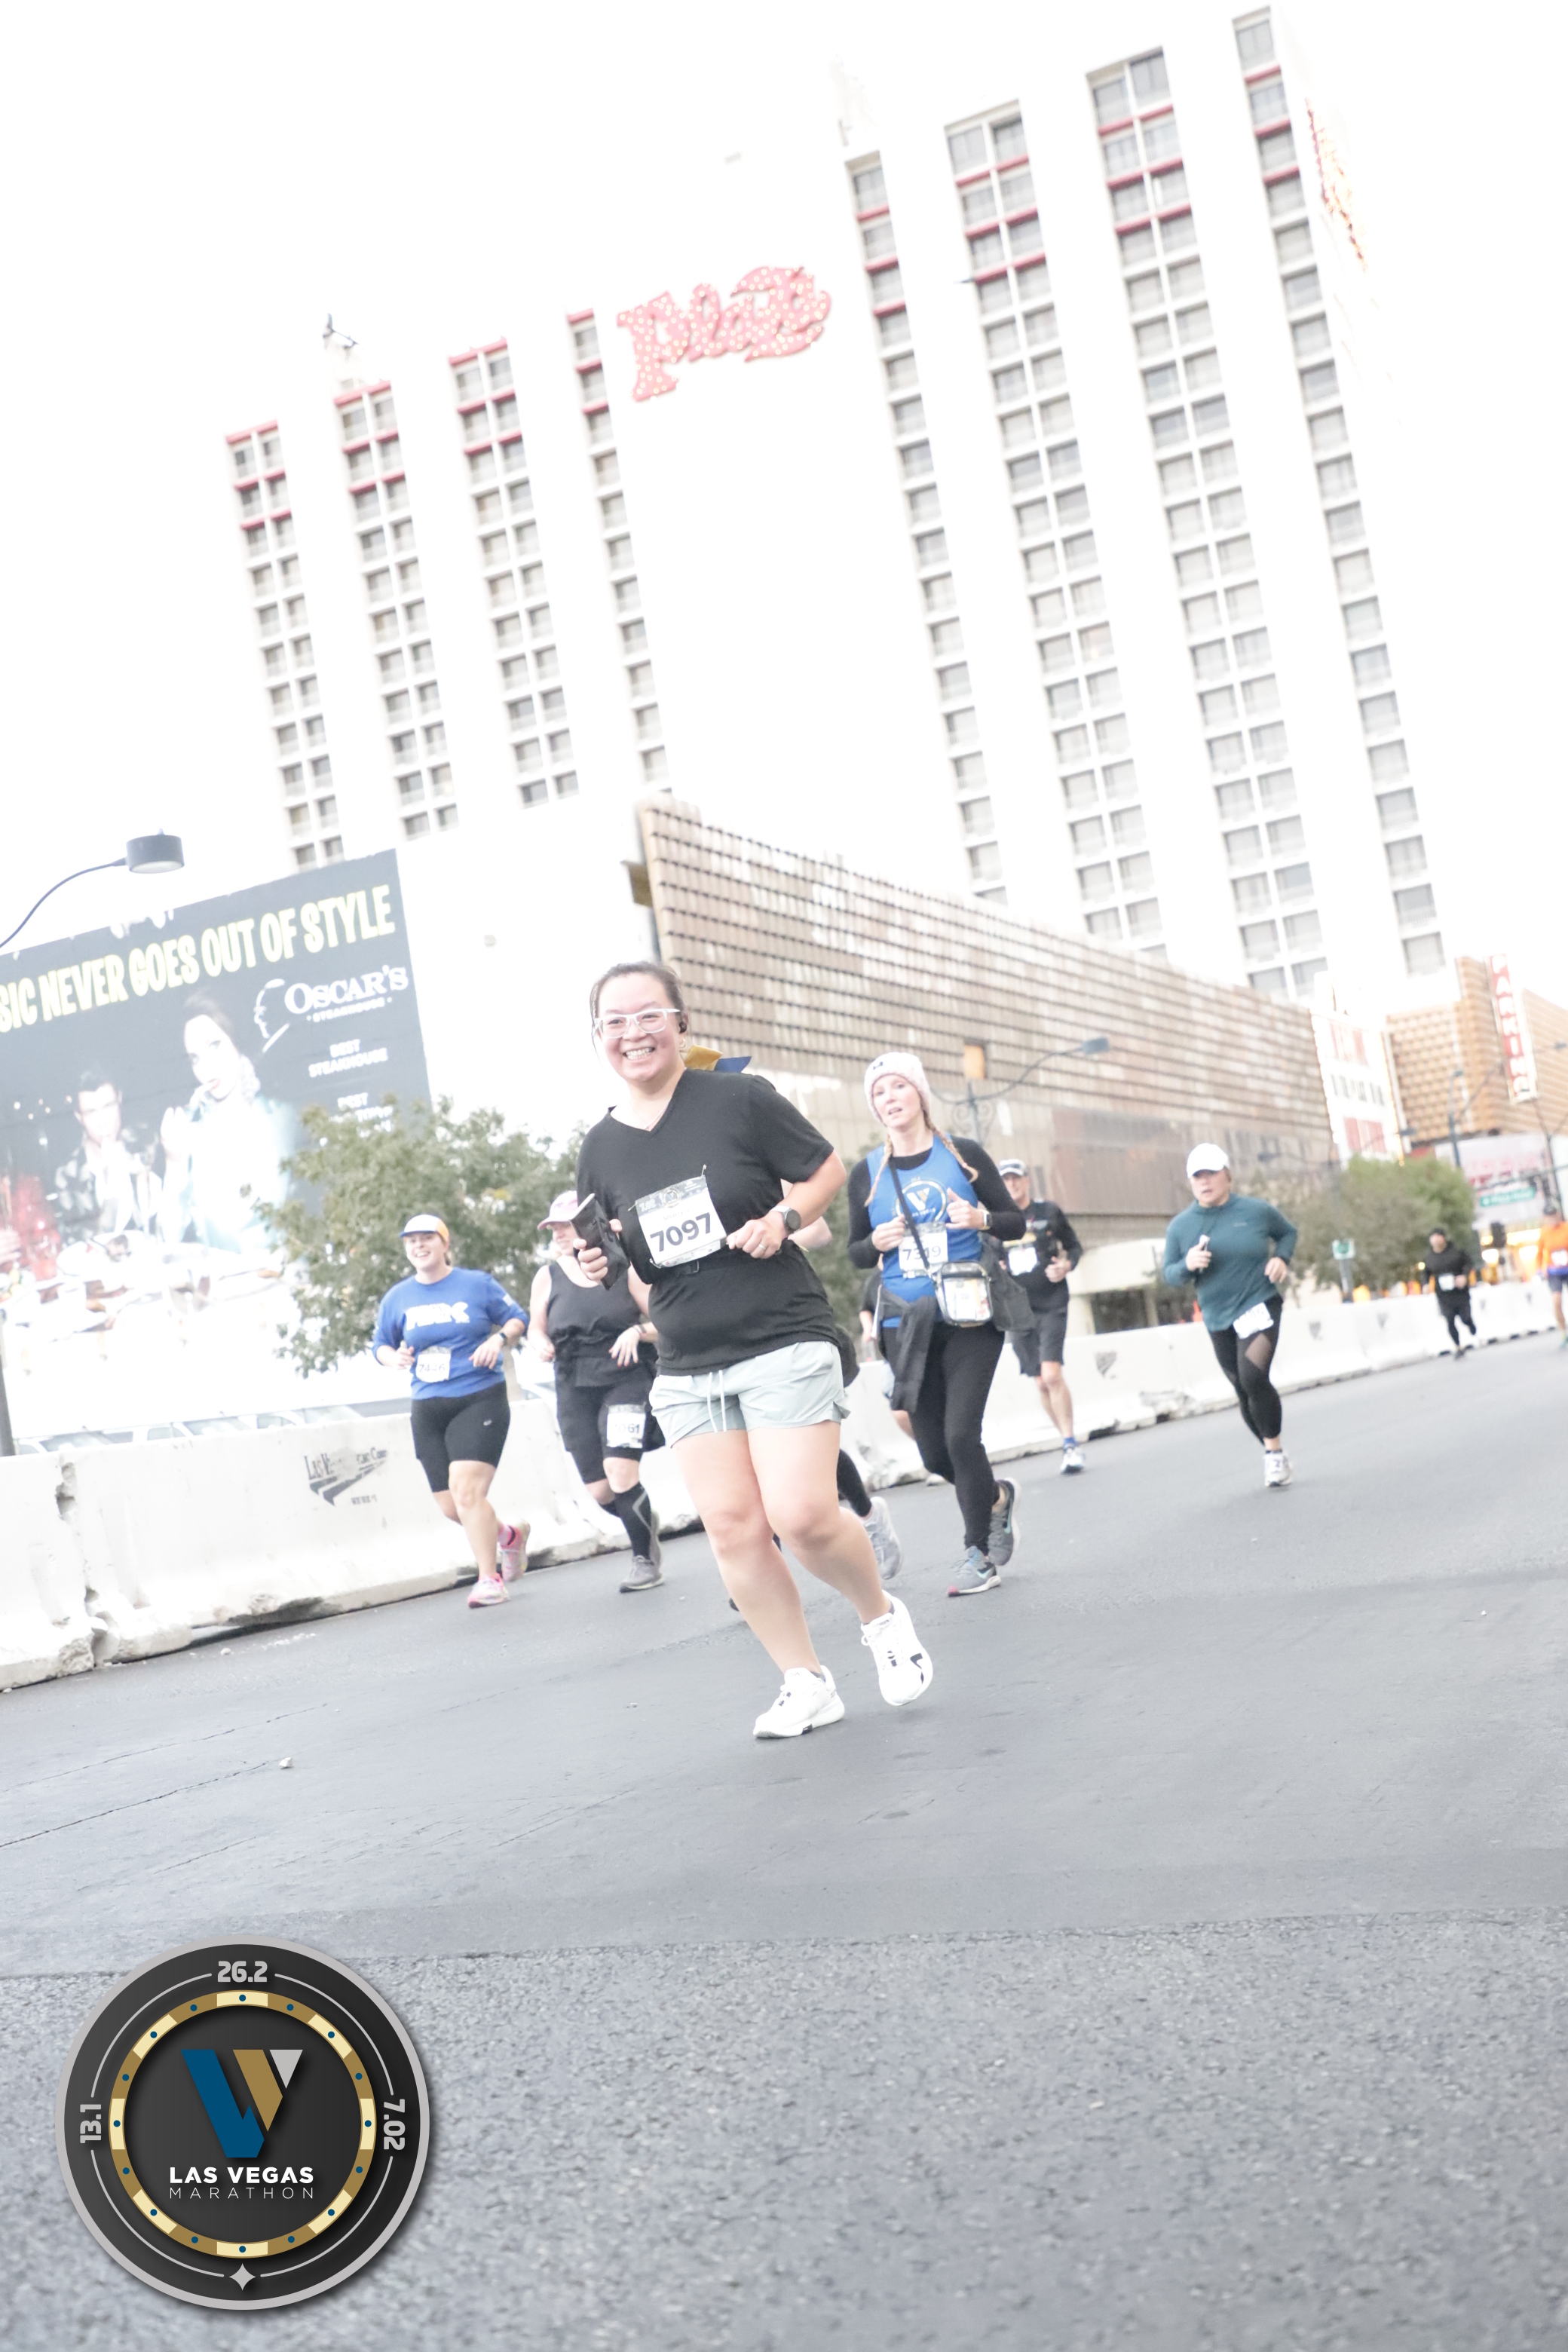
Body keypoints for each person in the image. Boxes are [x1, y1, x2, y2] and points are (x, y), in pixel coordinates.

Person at [573, 959, 933, 1739]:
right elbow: (622, 1255)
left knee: (801, 1516)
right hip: (687, 1357)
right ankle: (805, 1680)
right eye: (614, 1022)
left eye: (648, 1015)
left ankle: (880, 1617)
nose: (633, 1033)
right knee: (734, 1528)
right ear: (598, 1037)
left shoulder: (737, 1099)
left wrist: (781, 1219)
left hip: (780, 1331)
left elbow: (824, 1170)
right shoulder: (599, 1146)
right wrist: (596, 1260)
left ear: (680, 1024)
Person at [847, 1052, 1027, 1597]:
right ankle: (995, 1498)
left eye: (899, 1086)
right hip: (906, 1324)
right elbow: (855, 1253)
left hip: (969, 1312)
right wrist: (875, 1242)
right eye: (880, 1092)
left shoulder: (963, 1156)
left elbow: (1015, 1222)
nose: (890, 1098)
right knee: (933, 1453)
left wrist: (980, 1218)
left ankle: (978, 1553)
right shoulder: (867, 1174)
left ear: (920, 1094)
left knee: (961, 1435)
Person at [371, 1213, 529, 1607]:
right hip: (428, 1406)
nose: (419, 1246)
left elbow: (517, 1318)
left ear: (444, 1244)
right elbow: (381, 1345)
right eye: (411, 1241)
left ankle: (489, 1579)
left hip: (479, 1397)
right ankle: (509, 1536)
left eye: (427, 1238)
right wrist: (393, 1358)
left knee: (466, 1490)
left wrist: (498, 1340)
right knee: (451, 1506)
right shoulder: (398, 1298)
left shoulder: (475, 1284)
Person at [530, 1189, 665, 1592]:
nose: (557, 1234)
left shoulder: (625, 1269)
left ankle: (644, 1560)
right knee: (601, 1490)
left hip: (626, 1377)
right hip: (574, 1384)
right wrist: (539, 1342)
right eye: (553, 1228)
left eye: (565, 1226)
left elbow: (666, 1320)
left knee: (620, 1471)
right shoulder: (547, 1276)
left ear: (590, 1228)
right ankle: (643, 1522)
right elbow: (536, 1326)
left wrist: (637, 1331)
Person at [1162, 1144, 1297, 1487]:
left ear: (1228, 1175)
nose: (1205, 1182)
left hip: (1259, 1304)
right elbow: (1170, 1274)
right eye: (1198, 1176)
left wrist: (1281, 1258)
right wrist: (1187, 1264)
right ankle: (1272, 1450)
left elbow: (1287, 1233)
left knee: (1253, 1377)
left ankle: (1274, 1454)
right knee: (1242, 1389)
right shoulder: (1181, 1227)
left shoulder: (1256, 1211)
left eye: (1211, 1174)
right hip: (1218, 1317)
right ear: (1191, 1183)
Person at [158, 994, 302, 1256]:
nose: (206, 1067)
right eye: (195, 1058)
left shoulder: (286, 1119)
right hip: (222, 1280)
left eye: (214, 1045)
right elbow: (168, 1241)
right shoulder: (189, 1133)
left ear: (238, 1041)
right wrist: (174, 1164)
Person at [997, 1157, 1085, 1472]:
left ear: (1026, 1181)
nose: (1012, 1185)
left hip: (1052, 1303)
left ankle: (1070, 1443)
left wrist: (1066, 1266)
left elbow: (1074, 1247)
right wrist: (997, 1269)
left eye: (1016, 1178)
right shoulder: (995, 1222)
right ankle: (1066, 1440)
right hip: (1017, 1310)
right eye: (1006, 1180)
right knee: (1040, 1383)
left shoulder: (1048, 1212)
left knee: (1052, 1375)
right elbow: (988, 1260)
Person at [53, 1071, 159, 1244]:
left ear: (120, 1099)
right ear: (79, 1117)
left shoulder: (145, 1141)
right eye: (91, 1113)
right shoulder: (68, 1175)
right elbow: (82, 1249)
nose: (103, 1123)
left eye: (108, 1107)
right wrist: (111, 1190)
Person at [1422, 1227, 1478, 1356]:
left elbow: (1468, 1264)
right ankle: (1458, 1346)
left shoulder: (1456, 1251)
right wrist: (1425, 1284)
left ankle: (1470, 1323)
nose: (1435, 1241)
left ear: (1443, 1238)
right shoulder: (1430, 1257)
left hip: (1460, 1292)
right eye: (1433, 1238)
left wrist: (1464, 1276)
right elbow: (1426, 1272)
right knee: (1450, 1320)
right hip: (1444, 1295)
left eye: (1438, 1237)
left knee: (1465, 1317)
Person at [1536, 1209, 1568, 1346]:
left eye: (1554, 1216)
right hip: (1554, 1272)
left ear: (1558, 1215)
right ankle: (1563, 1331)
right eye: (1549, 1217)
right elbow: (1539, 1253)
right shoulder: (1544, 1232)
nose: (1552, 1219)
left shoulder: (1566, 1228)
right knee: (1556, 1301)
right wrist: (1539, 1270)